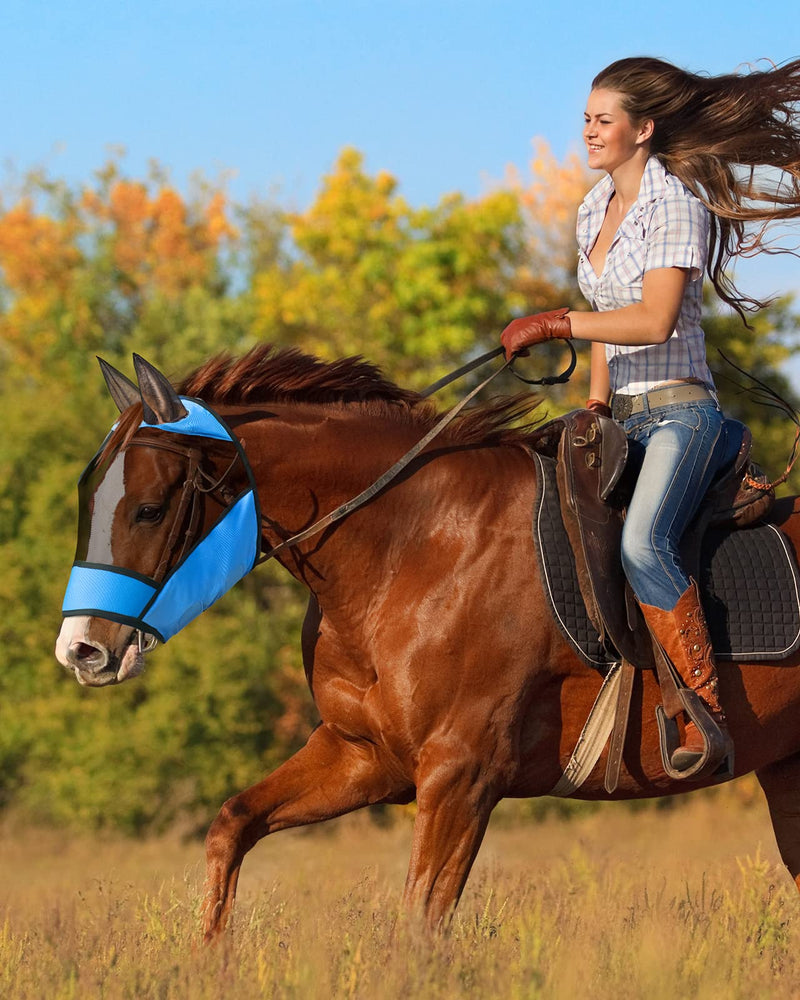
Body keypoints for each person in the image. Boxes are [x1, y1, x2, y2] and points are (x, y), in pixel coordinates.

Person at [501, 56, 800, 773]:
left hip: (681, 417)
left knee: (643, 544)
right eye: (585, 119)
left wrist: (557, 325)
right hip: (623, 418)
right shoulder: (590, 210)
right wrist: (592, 406)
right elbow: (609, 323)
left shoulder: (674, 204)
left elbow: (654, 320)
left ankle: (703, 714)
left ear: (644, 129)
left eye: (604, 120)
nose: (589, 132)